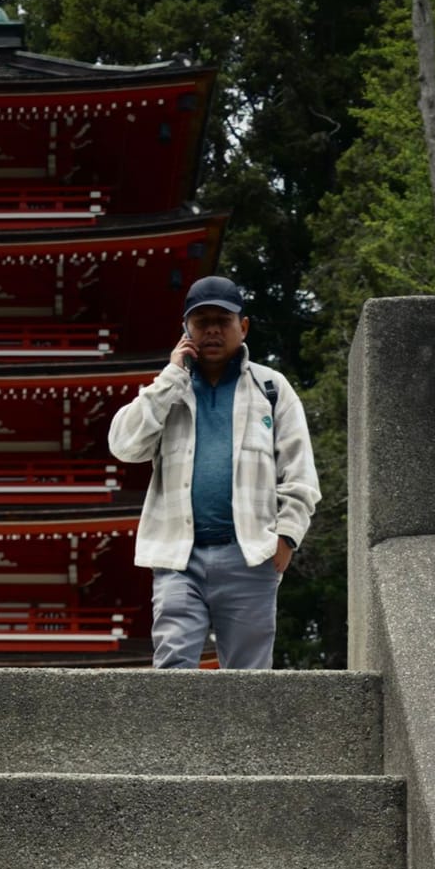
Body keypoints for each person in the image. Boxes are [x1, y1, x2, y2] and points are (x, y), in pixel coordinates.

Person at [108, 276, 319, 671]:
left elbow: (299, 471)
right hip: (178, 556)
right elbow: (123, 445)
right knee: (173, 665)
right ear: (185, 330)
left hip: (251, 554)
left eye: (222, 320)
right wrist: (170, 377)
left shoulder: (271, 388)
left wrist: (287, 536)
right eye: (200, 322)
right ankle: (173, 737)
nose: (212, 330)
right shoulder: (170, 390)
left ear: (244, 326)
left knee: (249, 676)